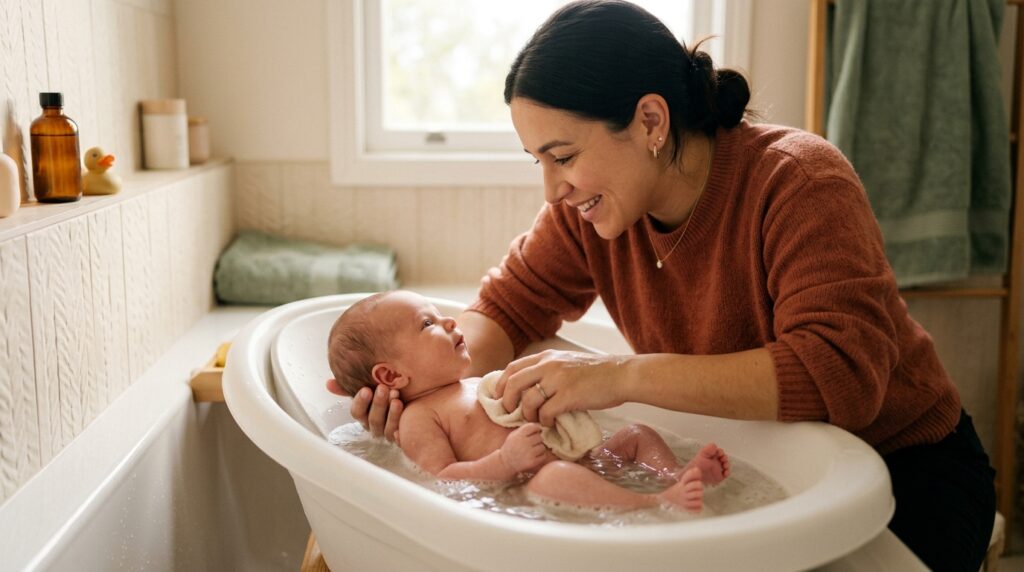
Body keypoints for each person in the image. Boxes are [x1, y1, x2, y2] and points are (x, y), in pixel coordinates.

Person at [338, 1, 996, 569]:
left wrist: (615, 376)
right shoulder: (591, 214)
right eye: (538, 162)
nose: (552, 188)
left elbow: (839, 376)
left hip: (906, 471)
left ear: (651, 122)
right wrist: (418, 383)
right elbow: (503, 313)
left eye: (563, 157)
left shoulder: (798, 182)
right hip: (744, 458)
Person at [326, 290, 730, 512]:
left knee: (637, 433)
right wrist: (504, 463)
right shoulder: (419, 417)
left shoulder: (473, 383)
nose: (450, 320)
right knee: (553, 479)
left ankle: (675, 475)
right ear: (391, 375)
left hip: (578, 456)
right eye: (427, 323)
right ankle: (655, 500)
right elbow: (441, 479)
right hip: (529, 481)